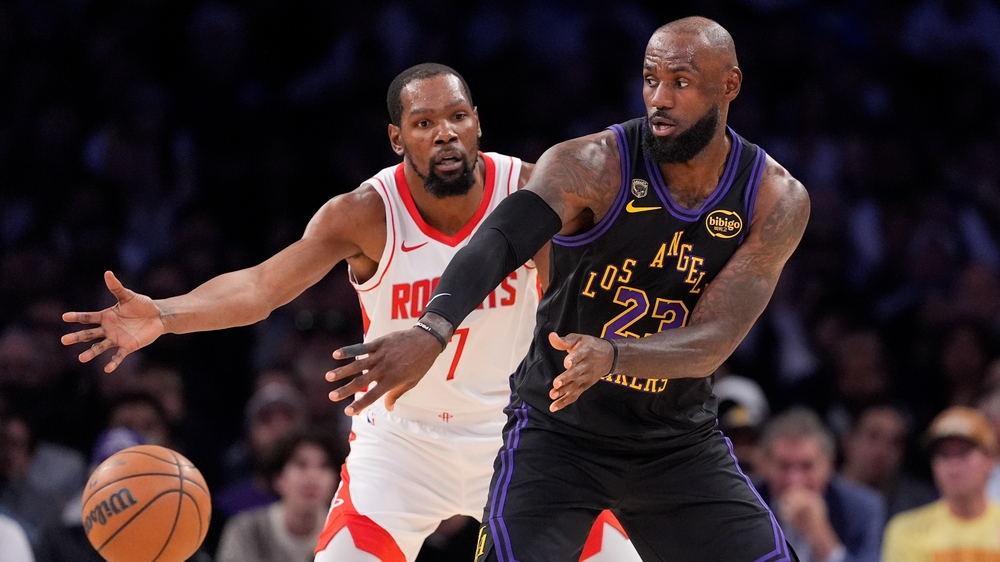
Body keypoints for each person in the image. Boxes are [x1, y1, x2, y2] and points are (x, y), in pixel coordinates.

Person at [61, 63, 637, 562]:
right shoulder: (366, 213)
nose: (445, 133)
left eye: (458, 117)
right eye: (424, 123)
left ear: (477, 122)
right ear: (396, 138)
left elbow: (589, 303)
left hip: (520, 431)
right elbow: (261, 287)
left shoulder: (532, 192)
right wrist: (165, 314)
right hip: (402, 445)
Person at [327, 16, 812, 562]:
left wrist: (612, 356)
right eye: (650, 79)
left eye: (680, 82)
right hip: (558, 436)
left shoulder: (773, 198)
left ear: (729, 85)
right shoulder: (593, 164)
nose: (659, 98)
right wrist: (432, 330)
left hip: (677, 441)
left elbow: (714, 339)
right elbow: (499, 241)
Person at [757, 407, 885, 562]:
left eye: (807, 466)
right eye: (784, 466)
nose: (794, 480)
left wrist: (821, 536)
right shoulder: (744, 503)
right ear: (764, 465)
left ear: (828, 465)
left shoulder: (862, 508)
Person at [882, 406, 1000, 561]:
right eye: (944, 455)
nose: (953, 465)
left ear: (990, 459)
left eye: (963, 453)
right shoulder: (907, 529)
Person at [215, 428, 345, 562]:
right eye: (301, 464)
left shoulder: (345, 535)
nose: (312, 477)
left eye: (324, 466)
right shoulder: (246, 530)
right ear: (278, 478)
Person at [838, 402, 937, 520]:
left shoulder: (920, 503)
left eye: (895, 442)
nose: (882, 450)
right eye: (873, 436)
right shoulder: (824, 492)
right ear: (848, 440)